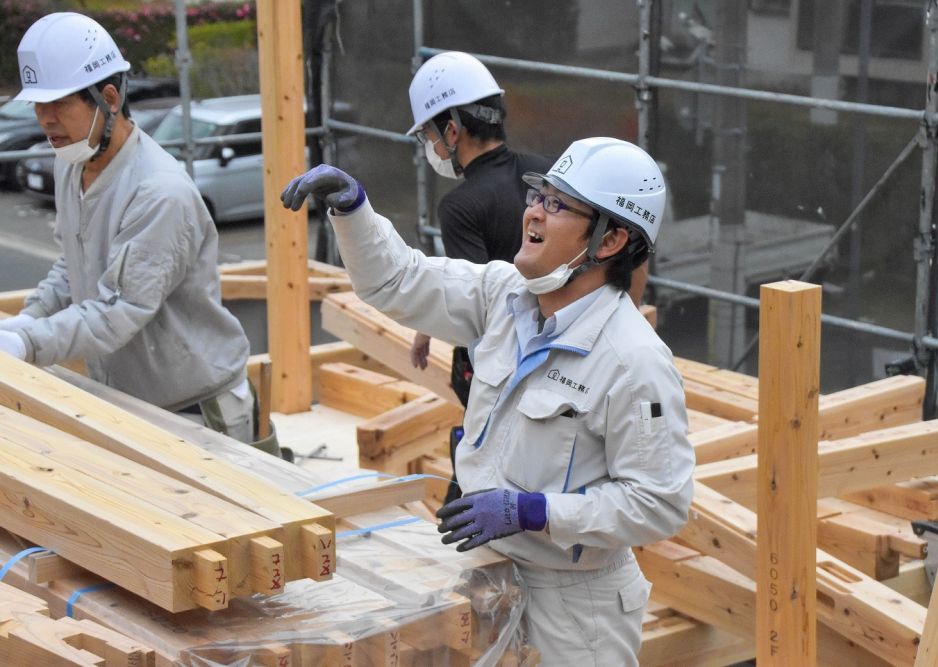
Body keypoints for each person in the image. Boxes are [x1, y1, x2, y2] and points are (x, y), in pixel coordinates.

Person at [281, 136, 695, 664]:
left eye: (558, 205)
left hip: (574, 612)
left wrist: (533, 511)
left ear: (610, 241)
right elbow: (399, 280)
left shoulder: (633, 360)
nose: (534, 214)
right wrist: (353, 211)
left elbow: (659, 504)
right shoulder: (507, 297)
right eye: (539, 195)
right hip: (486, 575)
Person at [0, 12, 256, 446]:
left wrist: (28, 343)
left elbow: (117, 312)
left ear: (110, 98)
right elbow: (74, 263)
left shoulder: (159, 192)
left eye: (59, 104)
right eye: (39, 105)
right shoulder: (73, 165)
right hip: (129, 400)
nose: (45, 120)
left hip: (196, 414)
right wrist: (28, 319)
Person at [405, 51, 551, 502]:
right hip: (552, 351)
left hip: (498, 368)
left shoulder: (461, 206)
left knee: (480, 476)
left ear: (452, 130)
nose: (429, 146)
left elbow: (474, 302)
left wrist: (433, 320)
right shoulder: (542, 172)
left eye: (428, 134)